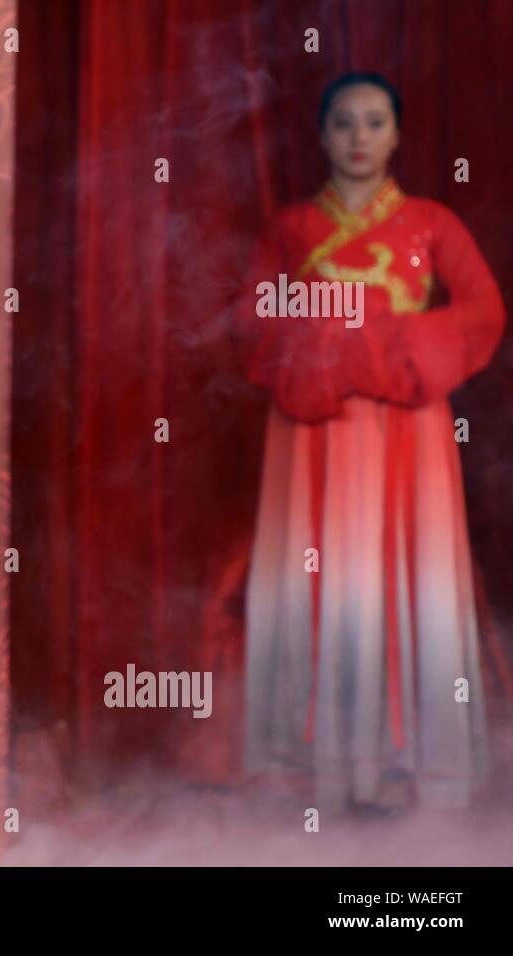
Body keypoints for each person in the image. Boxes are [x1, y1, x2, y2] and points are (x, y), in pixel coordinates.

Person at [237, 74, 505, 814]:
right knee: (317, 573)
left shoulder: (431, 222)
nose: (359, 138)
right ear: (322, 136)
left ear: (397, 136)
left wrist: (387, 347)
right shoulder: (289, 228)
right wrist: (329, 347)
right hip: (314, 427)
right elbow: (254, 321)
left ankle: (405, 762)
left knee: (407, 572)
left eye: (375, 122)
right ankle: (319, 765)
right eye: (344, 123)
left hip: (406, 425)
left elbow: (483, 311)